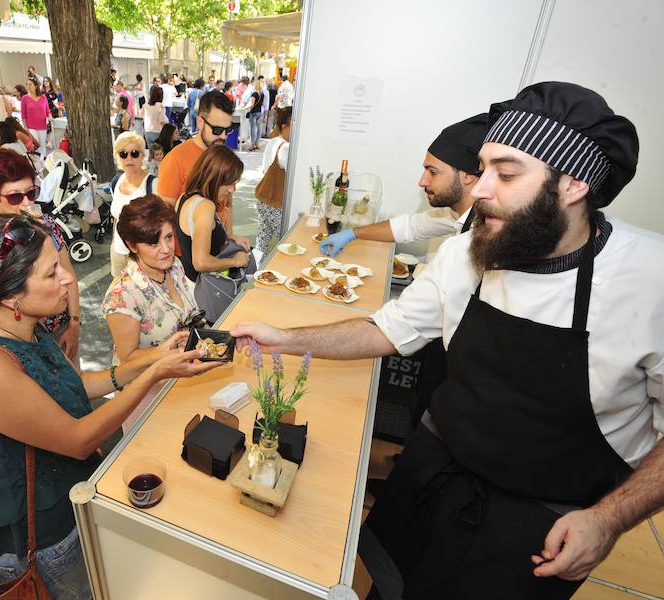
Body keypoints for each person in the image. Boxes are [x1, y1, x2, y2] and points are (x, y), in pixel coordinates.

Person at [232, 82, 664, 600]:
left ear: (572, 185)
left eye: (505, 174)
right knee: (384, 584)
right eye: (483, 170)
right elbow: (383, 329)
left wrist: (609, 519)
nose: (480, 190)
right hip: (433, 472)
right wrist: (281, 337)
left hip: (543, 523)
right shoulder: (468, 253)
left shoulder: (650, 279)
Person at [0, 214, 219, 596]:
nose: (68, 278)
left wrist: (154, 357)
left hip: (65, 506)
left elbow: (73, 385)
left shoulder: (23, 326)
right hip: (36, 537)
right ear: (10, 295)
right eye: (51, 272)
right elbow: (77, 438)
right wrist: (152, 376)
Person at [320, 113, 489, 255]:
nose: (422, 181)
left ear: (467, 175)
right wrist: (351, 234)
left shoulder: (483, 234)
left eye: (433, 172)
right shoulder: (455, 215)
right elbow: (410, 227)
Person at [103, 194, 200, 431]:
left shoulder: (173, 265)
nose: (166, 249)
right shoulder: (123, 294)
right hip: (145, 394)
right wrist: (171, 353)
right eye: (154, 243)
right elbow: (128, 358)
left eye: (169, 237)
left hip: (180, 381)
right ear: (132, 245)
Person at [0, 149, 81, 358]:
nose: (27, 203)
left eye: (32, 193)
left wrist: (74, 323)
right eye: (15, 196)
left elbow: (68, 275)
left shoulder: (46, 225)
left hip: (56, 327)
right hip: (12, 340)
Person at [158, 91, 236, 231]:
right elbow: (165, 214)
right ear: (200, 122)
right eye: (217, 130)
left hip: (219, 245)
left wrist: (229, 238)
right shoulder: (175, 159)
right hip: (187, 250)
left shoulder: (223, 155)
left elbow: (227, 204)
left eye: (228, 129)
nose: (224, 136)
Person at [176, 145, 249, 282]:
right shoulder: (205, 206)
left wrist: (229, 236)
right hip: (202, 290)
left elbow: (196, 237)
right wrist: (234, 261)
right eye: (230, 184)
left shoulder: (184, 197)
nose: (233, 190)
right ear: (215, 179)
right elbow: (201, 262)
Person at [109, 132, 157, 277]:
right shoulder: (116, 182)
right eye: (123, 154)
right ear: (117, 157)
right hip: (118, 251)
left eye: (134, 153)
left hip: (142, 256)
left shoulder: (153, 184)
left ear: (142, 156)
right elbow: (116, 218)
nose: (129, 158)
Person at [255, 106, 291, 253]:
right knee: (286, 243)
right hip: (276, 203)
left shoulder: (273, 141)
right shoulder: (287, 148)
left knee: (262, 242)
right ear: (285, 127)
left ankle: (256, 269)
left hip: (264, 199)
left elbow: (265, 169)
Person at [20, 78, 51, 159]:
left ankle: (44, 163)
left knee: (43, 145)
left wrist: (50, 116)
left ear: (36, 86)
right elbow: (23, 114)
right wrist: (25, 127)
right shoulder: (25, 98)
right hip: (31, 127)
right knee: (35, 146)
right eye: (27, 84)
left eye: (30, 84)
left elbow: (48, 111)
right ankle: (37, 165)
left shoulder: (43, 98)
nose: (28, 86)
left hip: (43, 126)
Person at [242, 78, 266, 151]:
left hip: (253, 113)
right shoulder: (262, 94)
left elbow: (252, 105)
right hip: (259, 112)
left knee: (253, 129)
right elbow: (262, 104)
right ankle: (257, 144)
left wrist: (245, 107)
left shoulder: (254, 94)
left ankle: (252, 144)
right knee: (259, 129)